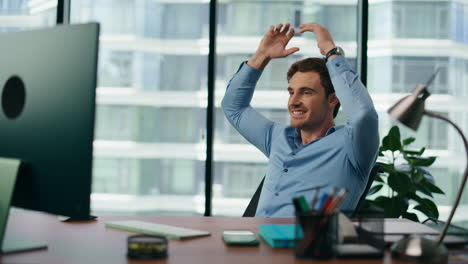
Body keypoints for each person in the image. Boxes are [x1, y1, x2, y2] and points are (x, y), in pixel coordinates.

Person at [221, 22, 379, 217]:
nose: (294, 102)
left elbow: (363, 114)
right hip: (257, 241)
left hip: (306, 246)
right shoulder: (278, 138)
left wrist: (331, 51)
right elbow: (234, 107)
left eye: (306, 92)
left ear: (332, 98)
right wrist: (261, 56)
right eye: (291, 92)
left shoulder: (351, 146)